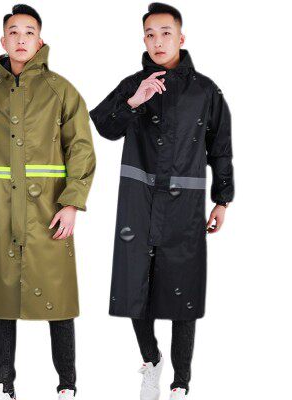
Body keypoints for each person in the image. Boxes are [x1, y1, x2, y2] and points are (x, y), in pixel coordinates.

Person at [89, 3, 234, 399]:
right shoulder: (133, 84)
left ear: (181, 37)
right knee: (134, 284)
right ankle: (151, 360)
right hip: (138, 200)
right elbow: (103, 126)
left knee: (183, 288)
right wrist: (134, 101)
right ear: (144, 40)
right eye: (150, 34)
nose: (158, 41)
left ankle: (180, 383)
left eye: (165, 33)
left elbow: (220, 147)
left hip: (185, 203)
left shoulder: (205, 90)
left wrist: (222, 200)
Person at [0, 4, 96, 399]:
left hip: (48, 212)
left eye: (29, 32)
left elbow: (81, 149)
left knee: (59, 301)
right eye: (14, 32)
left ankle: (67, 386)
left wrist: (72, 203)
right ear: (3, 40)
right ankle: (4, 386)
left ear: (40, 41)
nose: (21, 39)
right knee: (2, 301)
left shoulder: (61, 90)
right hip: (4, 212)